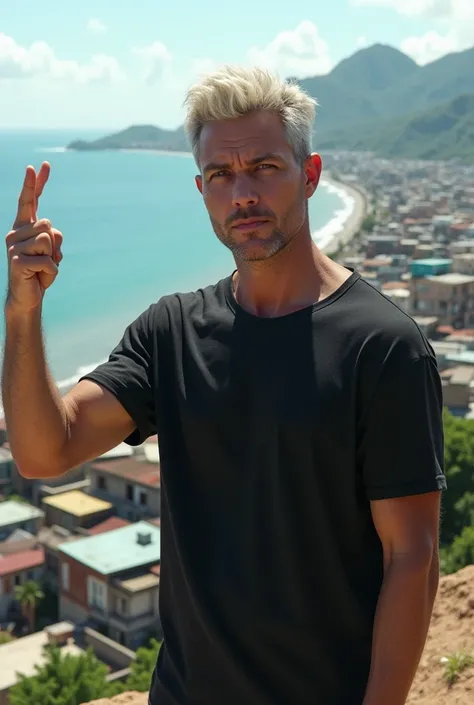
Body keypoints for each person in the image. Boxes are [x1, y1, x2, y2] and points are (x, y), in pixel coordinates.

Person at [2, 66, 446, 705]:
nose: (242, 192)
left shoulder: (383, 347)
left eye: (265, 167)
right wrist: (23, 309)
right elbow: (46, 451)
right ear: (201, 190)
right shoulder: (172, 332)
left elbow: (413, 558)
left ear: (311, 174)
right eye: (220, 175)